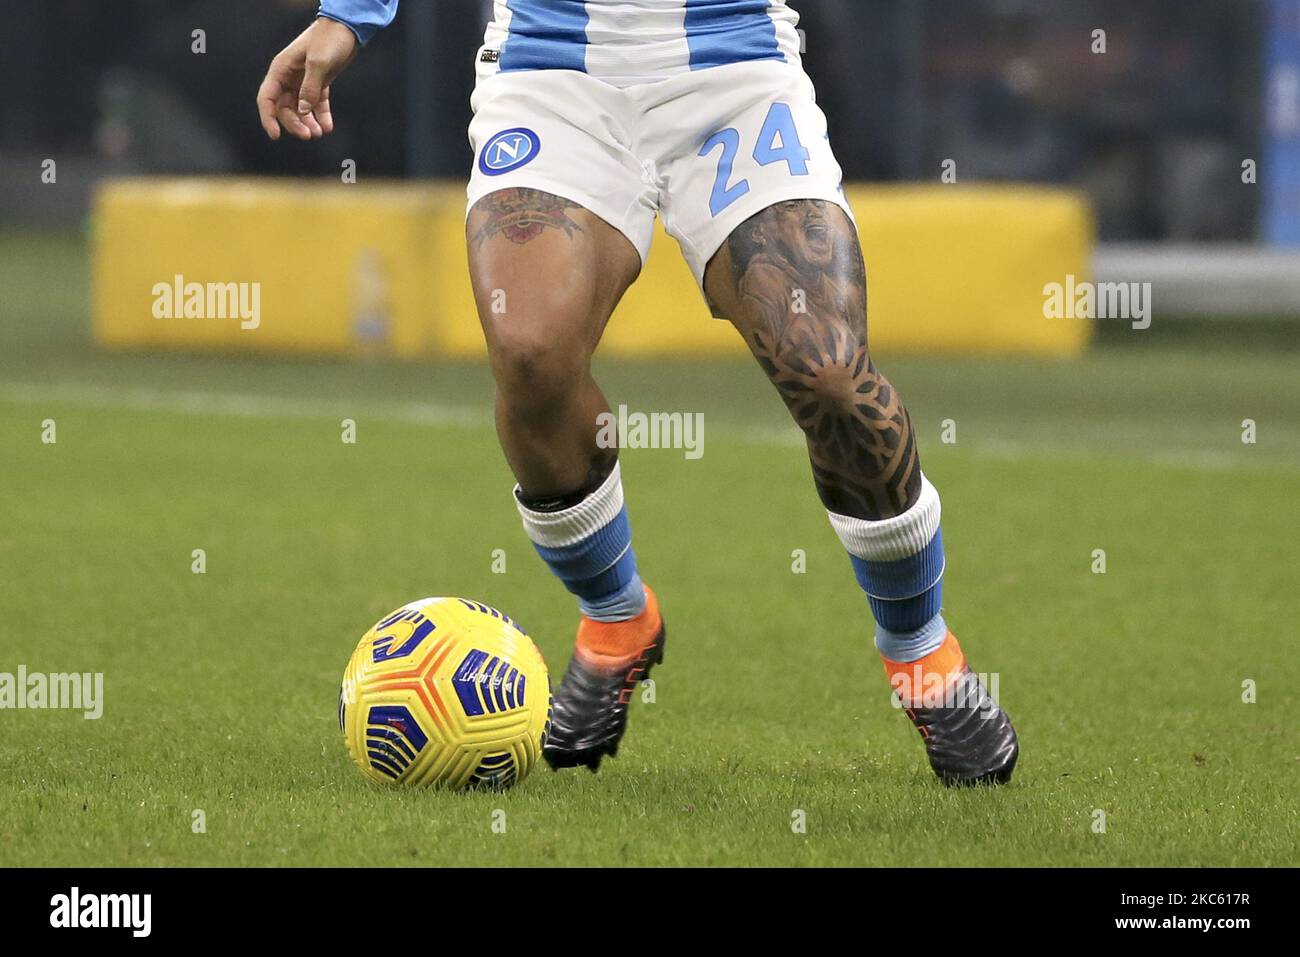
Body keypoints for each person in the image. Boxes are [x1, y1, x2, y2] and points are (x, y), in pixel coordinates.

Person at [257, 0, 1018, 785]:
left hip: (736, 65)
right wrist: (350, 15)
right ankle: (617, 620)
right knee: (530, 353)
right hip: (551, 70)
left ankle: (922, 653)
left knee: (828, 372)